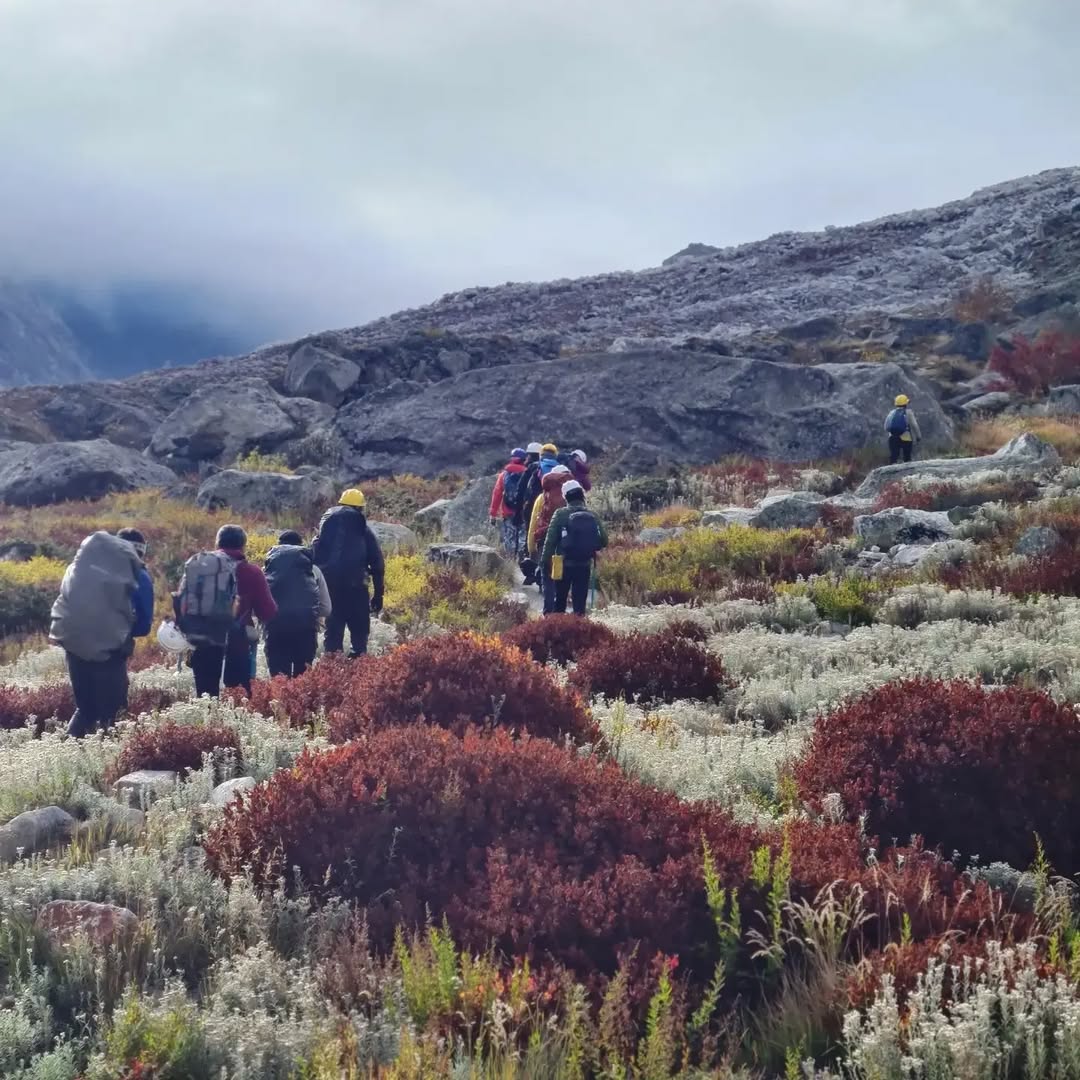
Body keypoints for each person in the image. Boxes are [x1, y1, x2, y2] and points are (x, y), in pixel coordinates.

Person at [49, 528, 154, 737]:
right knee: (114, 712)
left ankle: (69, 752)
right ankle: (112, 763)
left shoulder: (79, 568)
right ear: (139, 552)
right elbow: (143, 626)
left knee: (85, 709)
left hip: (73, 644)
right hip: (110, 651)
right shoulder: (138, 575)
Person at [178, 524, 277, 698]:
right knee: (238, 702)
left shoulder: (200, 566)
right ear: (243, 545)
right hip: (236, 645)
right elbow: (267, 612)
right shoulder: (252, 572)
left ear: (217, 543)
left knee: (206, 699)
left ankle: (208, 724)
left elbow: (182, 604)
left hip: (202, 643)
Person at [312, 489, 385, 658]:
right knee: (359, 637)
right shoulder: (365, 532)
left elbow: (314, 560)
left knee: (333, 638)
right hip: (357, 590)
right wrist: (378, 595)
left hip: (331, 590)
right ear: (360, 509)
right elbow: (378, 565)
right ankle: (358, 675)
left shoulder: (326, 530)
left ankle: (332, 676)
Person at [262, 530, 332, 678]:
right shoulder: (314, 570)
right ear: (301, 547)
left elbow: (259, 607)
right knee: (302, 683)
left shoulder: (267, 570)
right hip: (305, 628)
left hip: (275, 629)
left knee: (279, 681)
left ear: (278, 547)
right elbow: (326, 608)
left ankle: (279, 701)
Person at [540, 480, 608, 616]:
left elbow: (550, 542)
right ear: (582, 495)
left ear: (566, 497)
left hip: (563, 564)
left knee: (560, 601)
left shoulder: (560, 514)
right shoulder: (592, 515)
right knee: (579, 604)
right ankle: (579, 631)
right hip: (584, 564)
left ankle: (559, 630)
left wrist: (544, 562)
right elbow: (604, 540)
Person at [528, 464, 572, 612]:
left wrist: (531, 546)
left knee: (547, 577)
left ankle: (548, 612)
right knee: (562, 576)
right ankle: (560, 611)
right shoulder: (571, 496)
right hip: (565, 542)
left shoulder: (542, 497)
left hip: (544, 540)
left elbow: (534, 522)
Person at [514, 442, 545, 583]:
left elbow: (521, 491)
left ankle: (531, 571)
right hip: (547, 508)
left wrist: (517, 511)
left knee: (531, 538)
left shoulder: (530, 469)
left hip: (531, 509)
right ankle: (543, 572)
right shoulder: (551, 469)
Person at [489, 448, 529, 556]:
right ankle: (522, 562)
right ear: (524, 459)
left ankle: (510, 563)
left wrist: (493, 514)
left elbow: (497, 493)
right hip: (523, 511)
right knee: (522, 538)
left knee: (509, 539)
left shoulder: (504, 475)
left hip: (508, 511)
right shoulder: (528, 474)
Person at [885, 394, 922, 464]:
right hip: (906, 438)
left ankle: (891, 472)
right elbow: (915, 425)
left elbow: (886, 426)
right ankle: (907, 473)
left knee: (893, 457)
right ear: (906, 404)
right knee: (907, 458)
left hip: (892, 437)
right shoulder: (909, 413)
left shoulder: (891, 412)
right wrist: (918, 437)